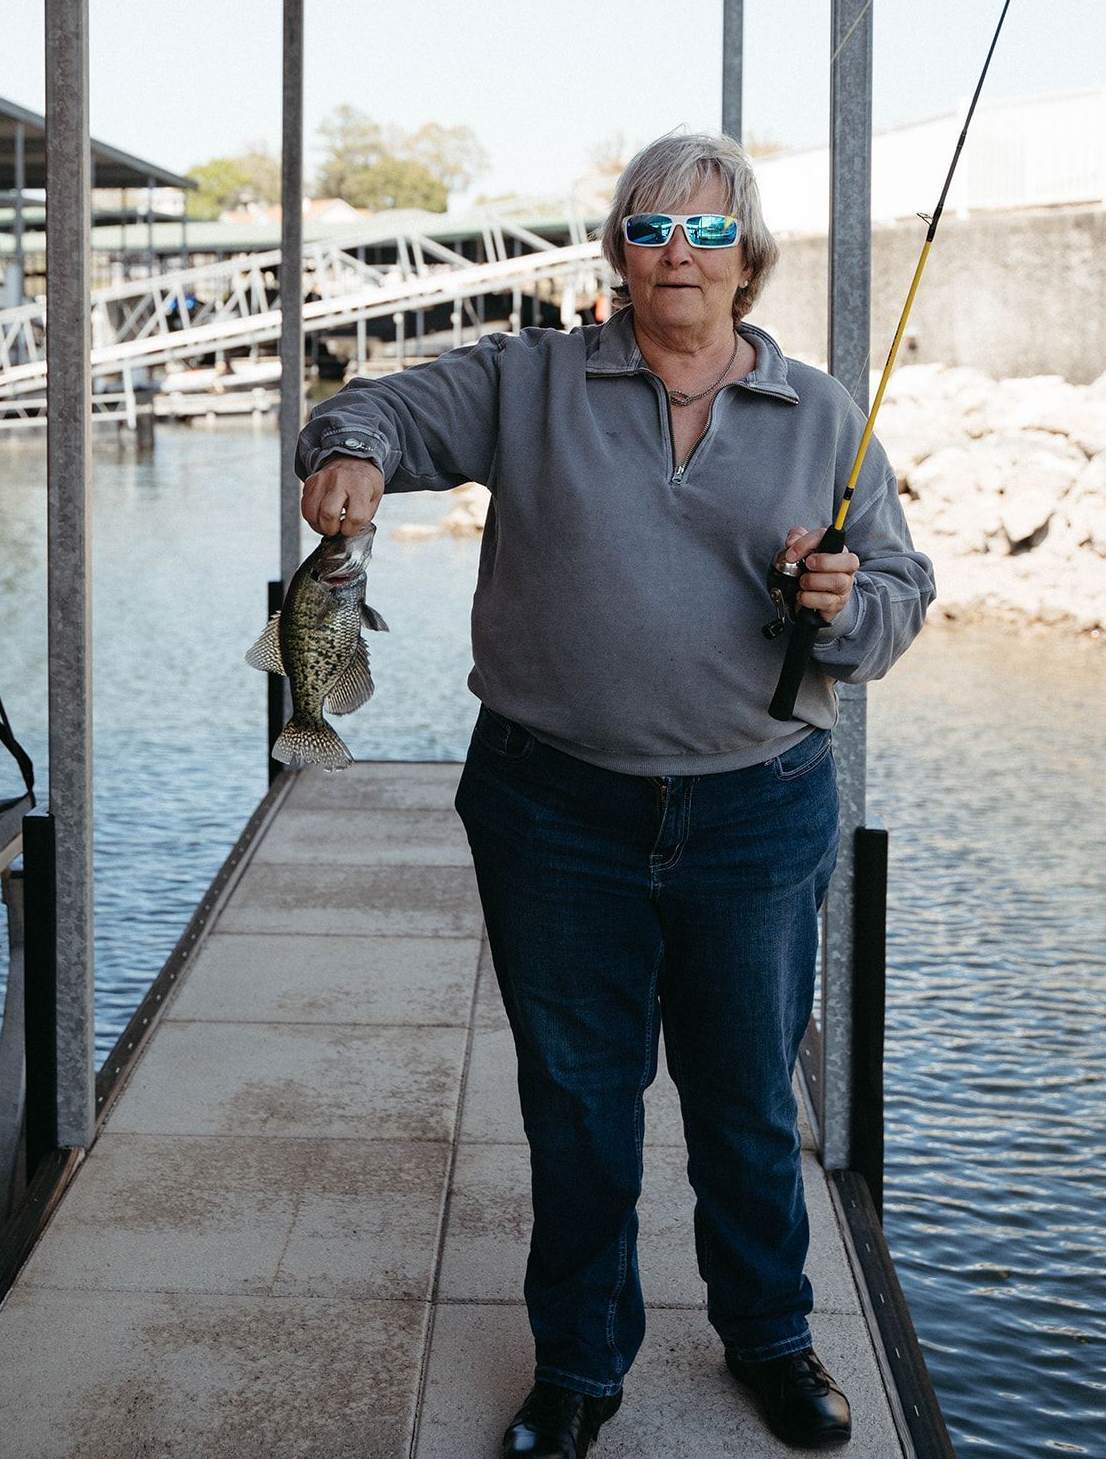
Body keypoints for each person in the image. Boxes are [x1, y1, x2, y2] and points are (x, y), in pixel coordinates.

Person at [297, 131, 935, 1456]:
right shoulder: (529, 383)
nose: (679, 256)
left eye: (707, 233)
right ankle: (580, 1366)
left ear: (747, 257)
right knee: (578, 1107)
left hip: (756, 815)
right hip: (553, 814)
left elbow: (894, 604)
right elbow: (385, 409)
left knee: (750, 1099)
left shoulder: (823, 416)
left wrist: (841, 602)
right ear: (617, 252)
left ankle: (769, 1336)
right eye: (652, 230)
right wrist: (347, 451)